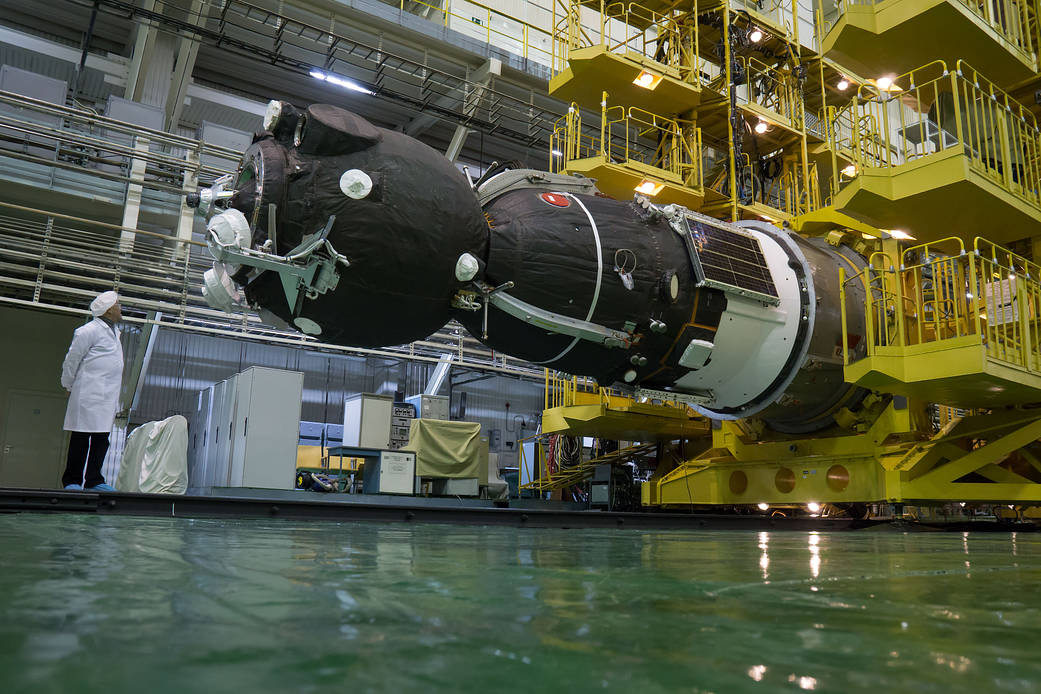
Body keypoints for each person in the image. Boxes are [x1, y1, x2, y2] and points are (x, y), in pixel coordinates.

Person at [60, 291, 124, 491]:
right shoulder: (88, 331)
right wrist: (67, 384)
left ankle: (94, 480)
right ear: (110, 309)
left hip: (107, 396)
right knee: (81, 438)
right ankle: (72, 481)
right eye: (118, 305)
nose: (121, 308)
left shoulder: (114, 331)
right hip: (87, 393)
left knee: (101, 439)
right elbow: (72, 360)